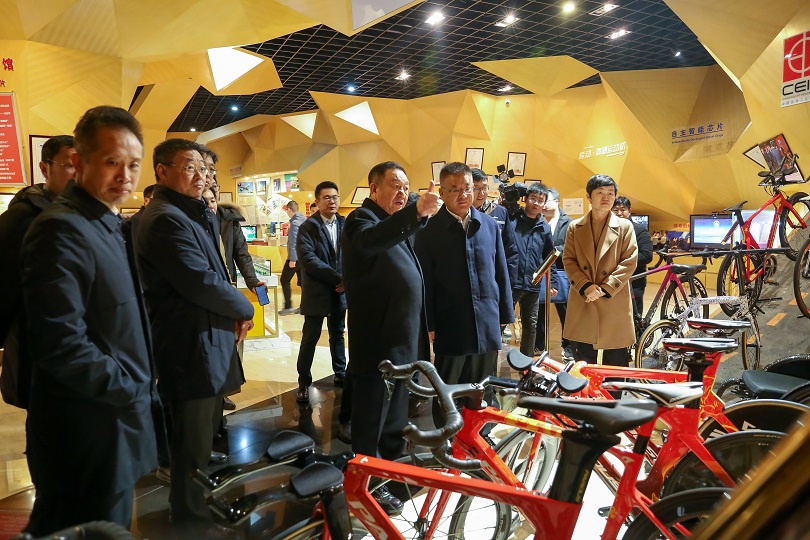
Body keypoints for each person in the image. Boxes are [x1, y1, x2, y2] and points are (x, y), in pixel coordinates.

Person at [20, 107, 160, 534]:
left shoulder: (105, 221)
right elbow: (60, 343)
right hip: (86, 428)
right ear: (78, 162)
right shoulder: (61, 228)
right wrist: (132, 387)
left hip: (113, 422)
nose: (125, 175)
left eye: (133, 164)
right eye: (112, 162)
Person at [136, 139, 253, 539]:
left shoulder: (191, 212)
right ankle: (189, 520)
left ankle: (192, 509)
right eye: (190, 167)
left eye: (204, 169)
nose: (201, 176)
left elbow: (215, 273)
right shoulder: (165, 218)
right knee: (190, 442)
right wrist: (244, 307)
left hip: (204, 336)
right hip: (189, 342)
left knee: (200, 439)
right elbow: (200, 280)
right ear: (162, 171)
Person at [342, 161, 440, 513]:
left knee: (396, 420)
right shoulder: (360, 221)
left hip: (401, 342)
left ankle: (390, 474)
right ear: (373, 188)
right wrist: (416, 211)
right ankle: (364, 485)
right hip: (378, 342)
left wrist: (417, 216)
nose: (402, 192)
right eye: (395, 185)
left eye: (406, 187)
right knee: (371, 422)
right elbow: (373, 241)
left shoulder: (395, 223)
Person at [415, 162, 513, 434]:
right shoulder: (428, 231)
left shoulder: (489, 225)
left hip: (487, 320)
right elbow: (425, 282)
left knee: (483, 386)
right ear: (442, 193)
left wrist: (505, 314)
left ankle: (478, 438)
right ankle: (447, 439)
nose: (463, 195)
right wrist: (429, 322)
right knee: (449, 388)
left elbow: (501, 271)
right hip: (450, 321)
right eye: (454, 189)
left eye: (467, 188)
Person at [0, 135, 75, 408]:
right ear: (45, 168)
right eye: (69, 165)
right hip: (39, 350)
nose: (79, 173)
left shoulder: (86, 214)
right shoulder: (24, 217)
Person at [563, 174, 638, 366]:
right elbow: (569, 260)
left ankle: (613, 388)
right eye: (600, 193)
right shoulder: (575, 227)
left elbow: (629, 261)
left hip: (613, 298)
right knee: (583, 360)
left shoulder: (625, 227)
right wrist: (586, 286)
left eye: (610, 193)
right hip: (584, 297)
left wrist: (605, 288)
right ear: (589, 196)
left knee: (616, 361)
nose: (606, 197)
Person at [294, 181, 347, 400]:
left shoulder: (344, 224)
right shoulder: (308, 227)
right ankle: (303, 382)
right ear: (317, 201)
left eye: (335, 197)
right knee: (310, 338)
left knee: (338, 334)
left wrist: (347, 280)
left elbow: (353, 254)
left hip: (340, 292)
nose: (331, 201)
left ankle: (340, 373)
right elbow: (308, 259)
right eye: (326, 197)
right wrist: (338, 278)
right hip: (317, 292)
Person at [510, 183, 558, 356]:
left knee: (531, 325)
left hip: (533, 284)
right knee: (501, 322)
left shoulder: (544, 227)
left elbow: (549, 256)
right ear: (525, 199)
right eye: (533, 198)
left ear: (544, 203)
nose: (536, 203)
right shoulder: (512, 219)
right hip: (511, 283)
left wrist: (552, 282)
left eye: (540, 200)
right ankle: (491, 363)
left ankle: (526, 363)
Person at [535, 187, 574, 359]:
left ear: (557, 202)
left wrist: (550, 252)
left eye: (547, 200)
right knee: (538, 310)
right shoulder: (536, 220)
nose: (543, 204)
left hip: (562, 270)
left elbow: (570, 246)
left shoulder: (569, 223)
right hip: (540, 270)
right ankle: (538, 346)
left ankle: (569, 346)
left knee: (565, 311)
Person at [470, 168, 518, 287]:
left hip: (493, 279)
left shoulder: (500, 212)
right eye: (476, 188)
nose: (481, 193)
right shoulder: (460, 212)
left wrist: (509, 283)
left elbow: (510, 249)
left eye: (484, 188)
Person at [612, 196, 654, 317]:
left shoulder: (640, 230)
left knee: (634, 316)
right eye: (615, 210)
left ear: (629, 211)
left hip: (634, 280)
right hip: (612, 280)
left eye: (623, 209)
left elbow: (646, 255)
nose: (619, 213)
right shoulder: (607, 229)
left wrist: (622, 261)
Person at [280, 201, 306, 315]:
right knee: (303, 282)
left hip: (296, 257)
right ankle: (304, 306)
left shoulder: (295, 223)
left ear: (290, 209)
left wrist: (292, 259)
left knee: (284, 280)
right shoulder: (304, 219)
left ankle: (288, 306)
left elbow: (294, 242)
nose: (287, 213)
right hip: (304, 256)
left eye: (287, 210)